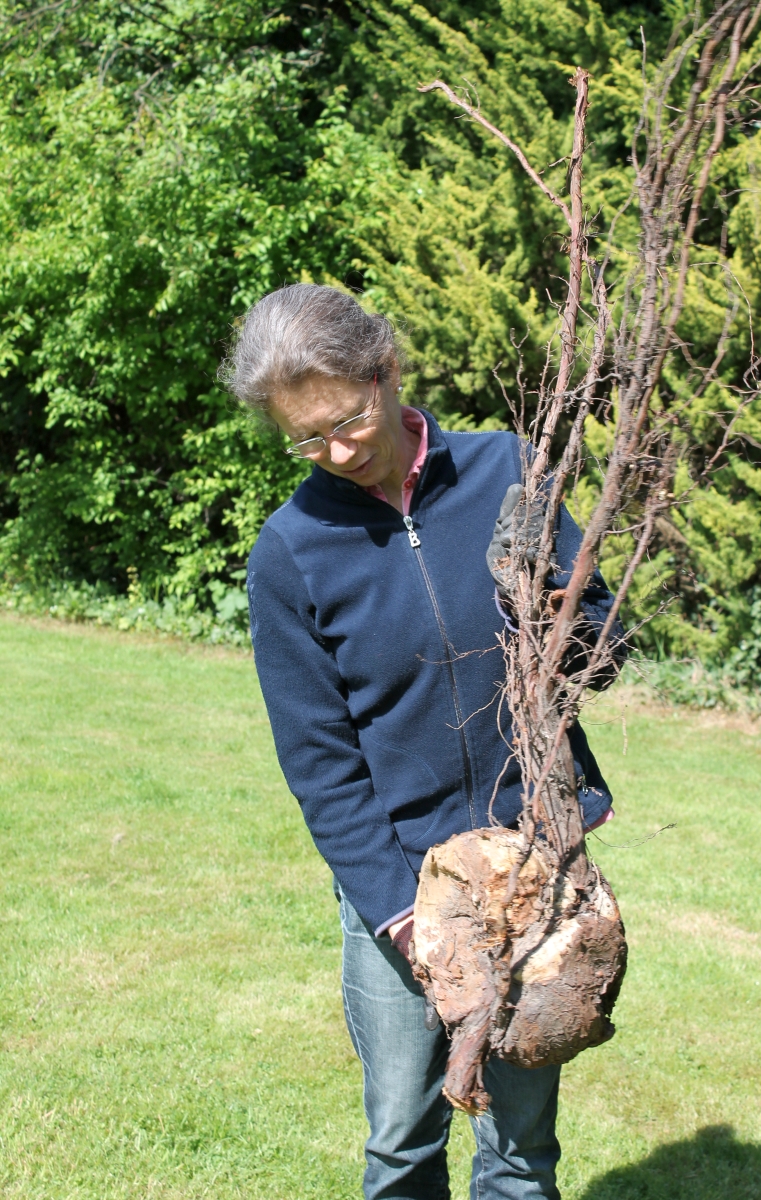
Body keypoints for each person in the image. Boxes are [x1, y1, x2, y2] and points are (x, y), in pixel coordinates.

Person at [233, 284, 624, 1200]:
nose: (336, 452)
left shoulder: (507, 471)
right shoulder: (291, 552)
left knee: (521, 1149)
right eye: (305, 439)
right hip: (402, 884)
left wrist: (565, 626)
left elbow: (598, 642)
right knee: (404, 1141)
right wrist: (402, 914)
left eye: (346, 420)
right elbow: (320, 764)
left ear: (388, 371)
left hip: (531, 863)